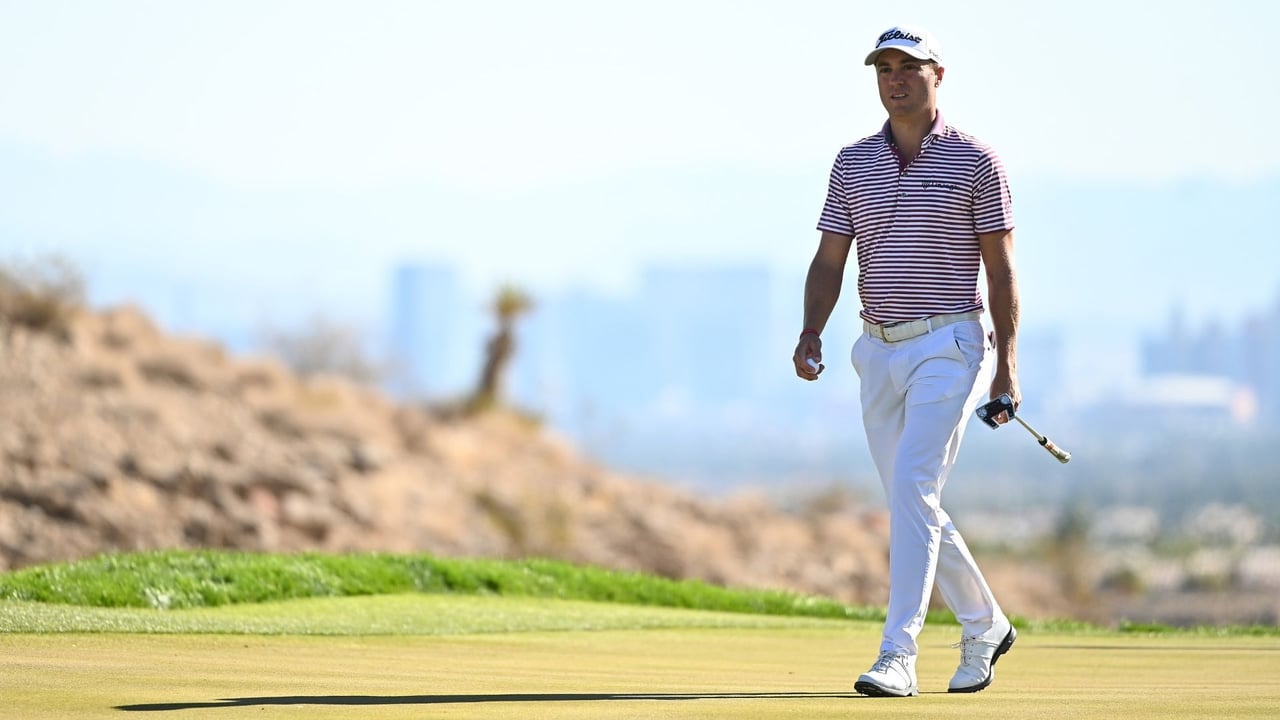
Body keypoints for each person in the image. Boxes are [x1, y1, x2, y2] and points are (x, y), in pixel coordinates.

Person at [791, 24, 1020, 697]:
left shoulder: (976, 160)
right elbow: (831, 257)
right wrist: (811, 331)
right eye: (883, 67)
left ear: (937, 75)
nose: (895, 78)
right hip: (877, 349)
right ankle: (986, 623)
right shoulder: (852, 162)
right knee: (910, 498)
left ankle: (898, 655)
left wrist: (1007, 366)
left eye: (908, 67)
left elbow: (1001, 272)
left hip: (949, 343)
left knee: (913, 489)